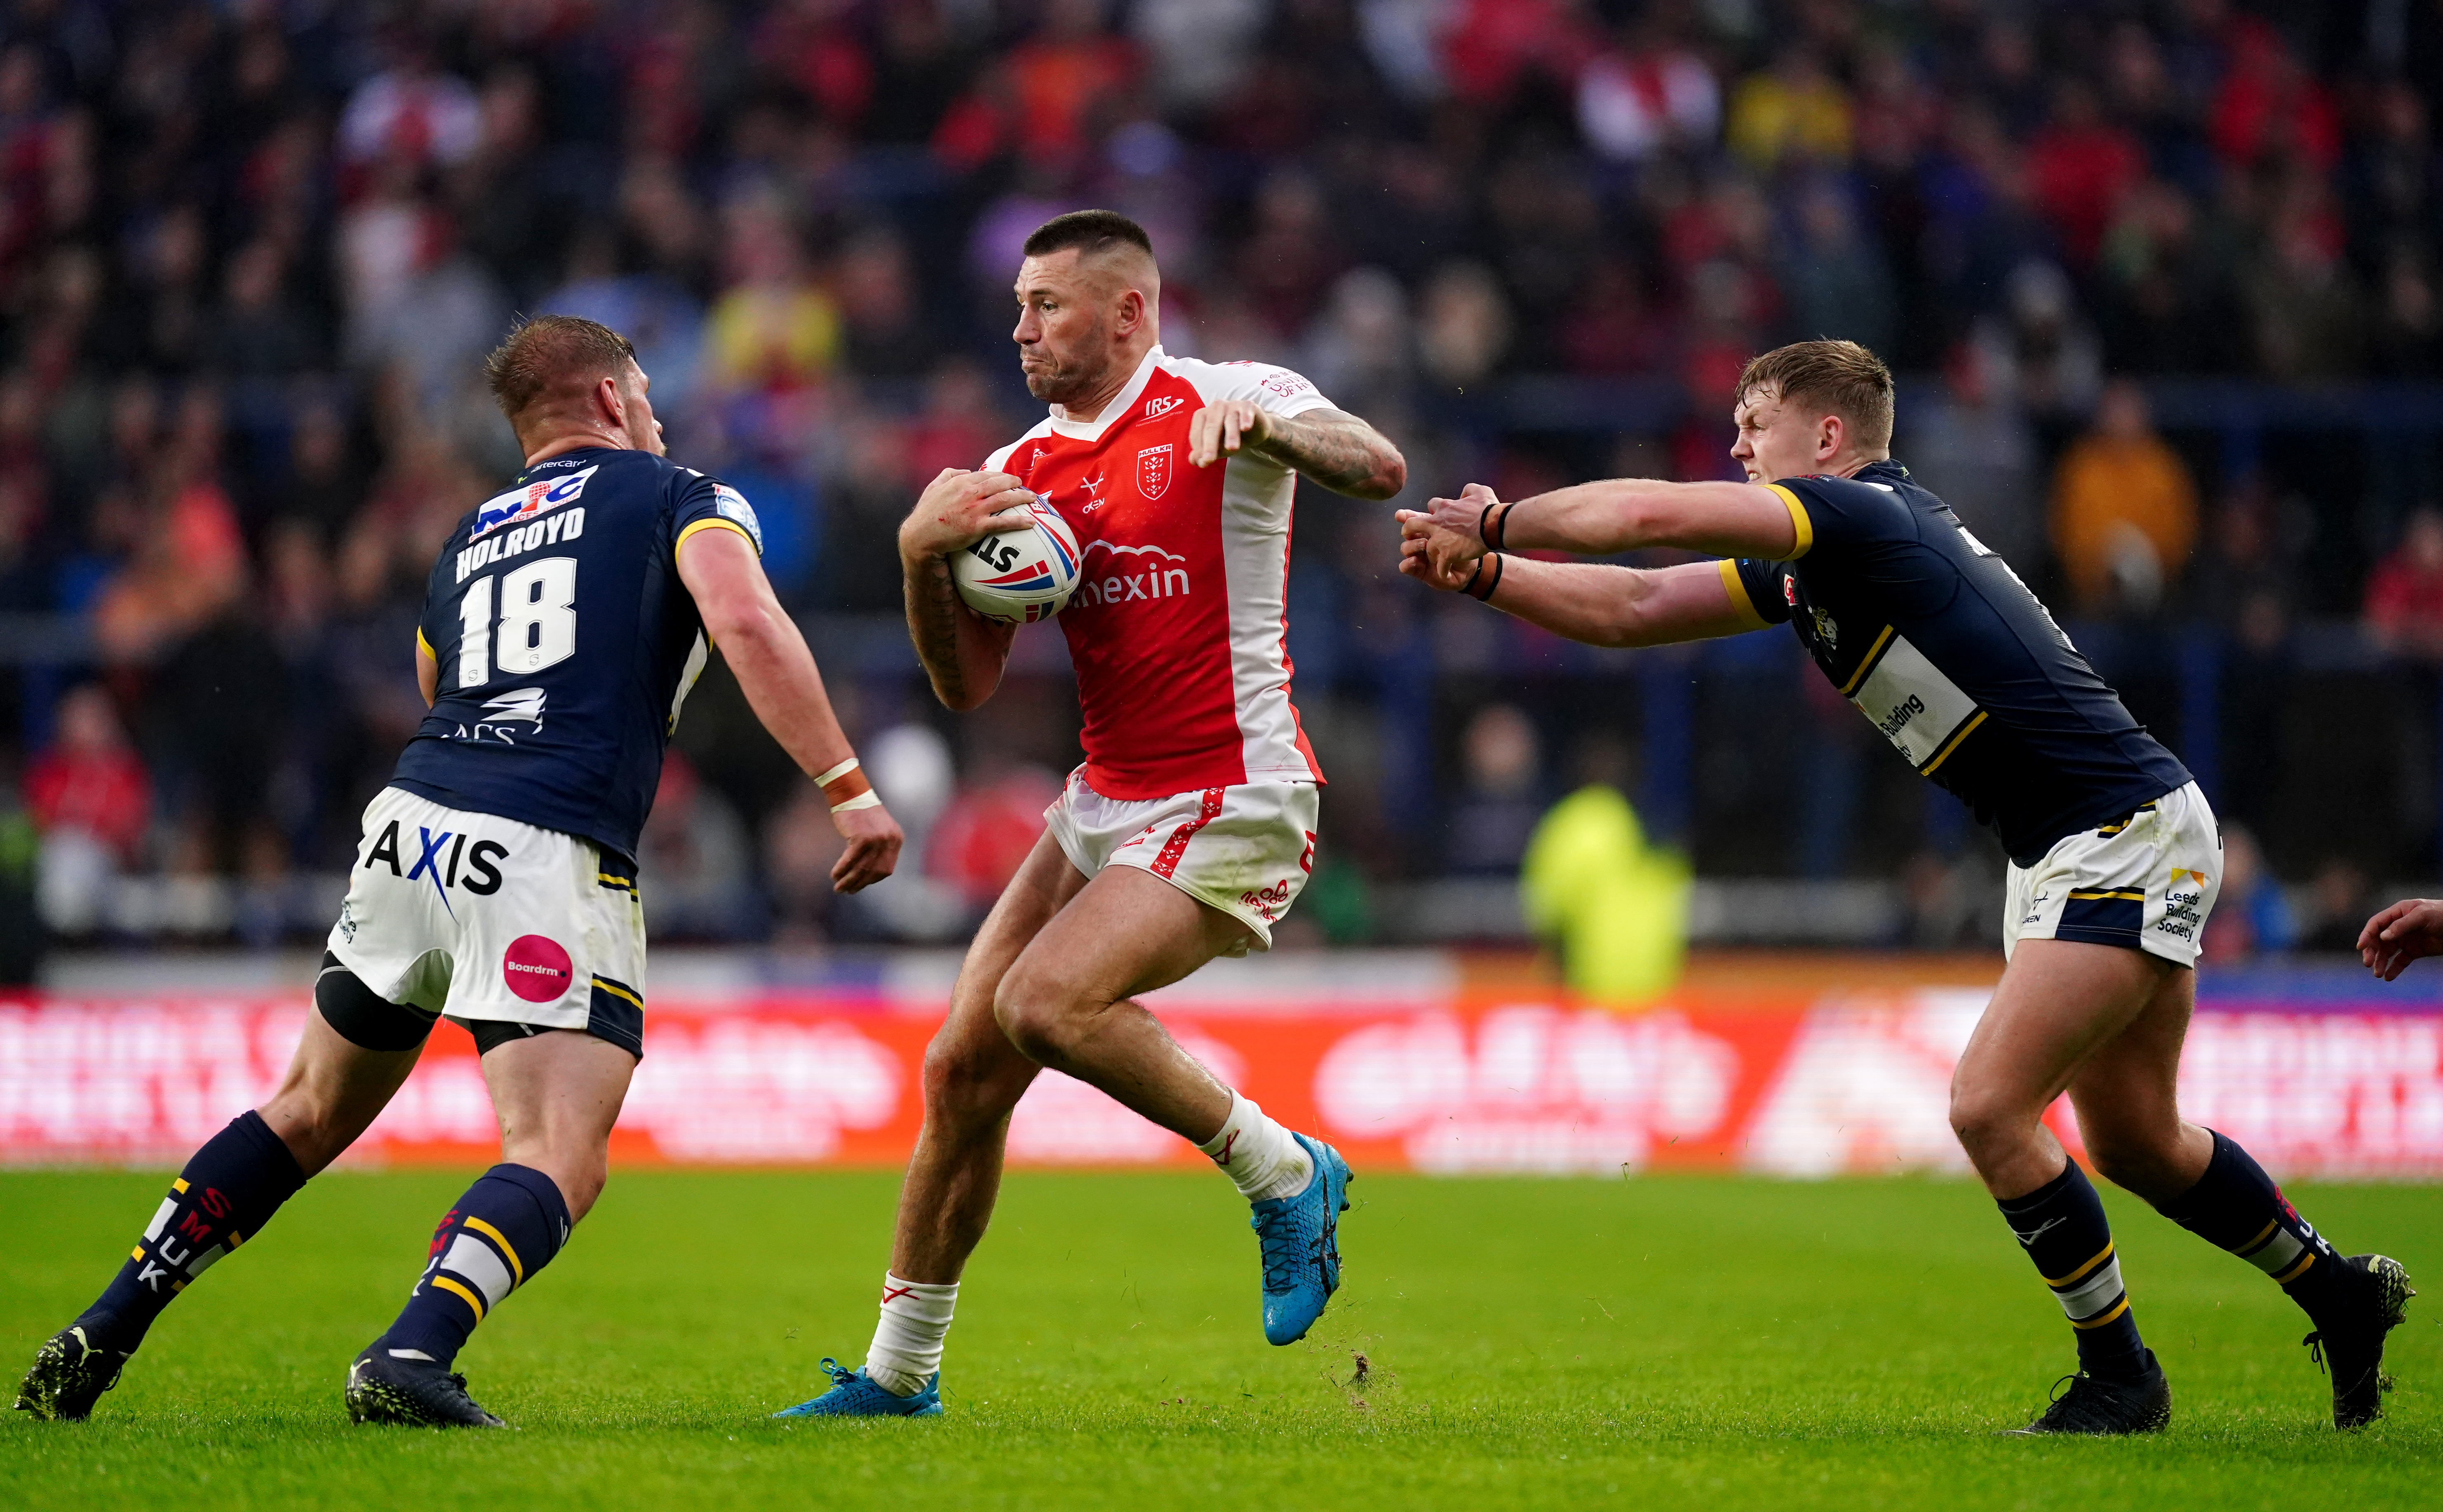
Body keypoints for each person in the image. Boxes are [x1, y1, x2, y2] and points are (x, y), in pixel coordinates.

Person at [1399, 339, 2412, 1435]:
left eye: (1756, 423)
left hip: (2116, 834)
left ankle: (2123, 1379)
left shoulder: (1861, 514)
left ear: (1828, 437)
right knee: (2135, 1142)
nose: (1737, 446)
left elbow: (1648, 516)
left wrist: (1499, 523)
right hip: (2084, 838)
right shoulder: (1822, 558)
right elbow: (1636, 607)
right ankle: (2339, 1293)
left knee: (1988, 1106)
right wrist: (1490, 577)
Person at [14, 316, 902, 1429]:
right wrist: (845, 786)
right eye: (646, 393)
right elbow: (745, 620)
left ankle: (108, 1320)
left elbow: (439, 681)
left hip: (411, 824)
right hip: (546, 840)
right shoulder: (681, 495)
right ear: (613, 399)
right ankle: (412, 1350)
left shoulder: (469, 536)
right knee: (560, 1151)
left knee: (305, 1108)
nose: (658, 414)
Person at [775, 209, 1406, 1419]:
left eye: (1046, 306)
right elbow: (965, 687)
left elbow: (1378, 467)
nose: (1021, 329)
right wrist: (920, 558)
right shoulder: (1017, 472)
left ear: (1128, 312)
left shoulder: (1225, 394)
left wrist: (1275, 429)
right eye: (1018, 306)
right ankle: (900, 1376)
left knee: (1044, 1002)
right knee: (963, 1068)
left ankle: (1284, 1171)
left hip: (1235, 786)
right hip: (1104, 798)